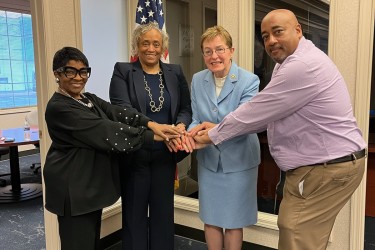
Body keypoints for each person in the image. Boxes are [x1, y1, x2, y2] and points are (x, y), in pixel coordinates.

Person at [190, 9, 367, 250]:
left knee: (295, 235)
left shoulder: (300, 66)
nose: (271, 40)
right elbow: (263, 116)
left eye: (278, 32)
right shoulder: (288, 64)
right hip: (322, 166)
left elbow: (254, 113)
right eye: (265, 36)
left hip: (325, 168)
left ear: (298, 30)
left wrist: (211, 135)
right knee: (300, 233)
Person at [44, 46, 181, 250]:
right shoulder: (59, 107)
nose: (78, 77)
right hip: (73, 190)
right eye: (70, 71)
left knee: (90, 243)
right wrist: (153, 137)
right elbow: (105, 130)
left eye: (83, 71)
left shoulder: (87, 99)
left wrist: (151, 123)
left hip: (88, 188)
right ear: (57, 74)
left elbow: (116, 112)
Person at [109, 21, 192, 250]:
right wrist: (154, 126)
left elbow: (186, 108)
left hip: (166, 156)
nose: (151, 48)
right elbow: (122, 111)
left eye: (156, 43)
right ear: (137, 45)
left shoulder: (175, 72)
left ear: (163, 46)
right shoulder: (123, 71)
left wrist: (181, 127)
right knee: (134, 219)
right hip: (134, 156)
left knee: (163, 218)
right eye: (145, 43)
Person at [185, 25, 260, 250]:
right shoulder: (198, 80)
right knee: (211, 217)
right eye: (207, 51)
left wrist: (210, 133)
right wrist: (191, 134)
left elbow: (243, 124)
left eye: (219, 49)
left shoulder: (249, 81)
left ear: (231, 51)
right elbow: (196, 118)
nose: (214, 56)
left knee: (234, 222)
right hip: (209, 161)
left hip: (239, 161)